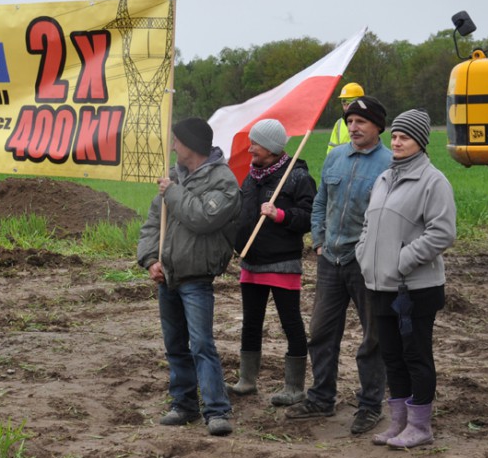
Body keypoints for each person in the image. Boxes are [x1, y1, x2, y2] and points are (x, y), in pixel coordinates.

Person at [286, 95, 391, 435]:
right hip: (331, 260)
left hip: (366, 264)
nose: (353, 127)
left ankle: (370, 405)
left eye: (361, 121)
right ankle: (321, 398)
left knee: (373, 336)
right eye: (349, 122)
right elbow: (320, 203)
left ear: (378, 126)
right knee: (321, 332)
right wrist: (318, 241)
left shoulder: (390, 165)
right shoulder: (334, 158)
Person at [356, 108, 456, 448]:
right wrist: (364, 251)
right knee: (392, 356)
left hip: (415, 288)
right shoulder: (385, 178)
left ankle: (421, 426)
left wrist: (402, 260)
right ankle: (398, 423)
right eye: (395, 136)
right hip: (380, 284)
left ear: (420, 142)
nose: (397, 142)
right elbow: (369, 222)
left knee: (416, 356)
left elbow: (442, 233)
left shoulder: (433, 181)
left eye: (405, 137)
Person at [137, 117, 240, 436]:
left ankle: (217, 410)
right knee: (175, 345)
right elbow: (153, 224)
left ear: (192, 145)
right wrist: (151, 259)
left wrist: (173, 193)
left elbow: (204, 217)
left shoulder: (223, 181)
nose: (172, 146)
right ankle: (183, 404)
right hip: (166, 277)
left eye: (177, 141)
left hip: (196, 277)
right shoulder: (172, 177)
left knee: (202, 344)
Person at [227, 119, 316, 407]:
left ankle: (294, 387)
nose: (250, 148)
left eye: (256, 143)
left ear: (273, 147)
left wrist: (280, 214)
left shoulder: (297, 177)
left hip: (282, 263)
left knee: (291, 324)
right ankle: (247, 380)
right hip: (251, 262)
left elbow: (310, 217)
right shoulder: (251, 176)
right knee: (251, 324)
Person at [326, 82, 364, 154]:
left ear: (360, 102)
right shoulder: (339, 123)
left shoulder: (369, 122)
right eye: (344, 104)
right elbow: (331, 149)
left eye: (349, 103)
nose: (346, 108)